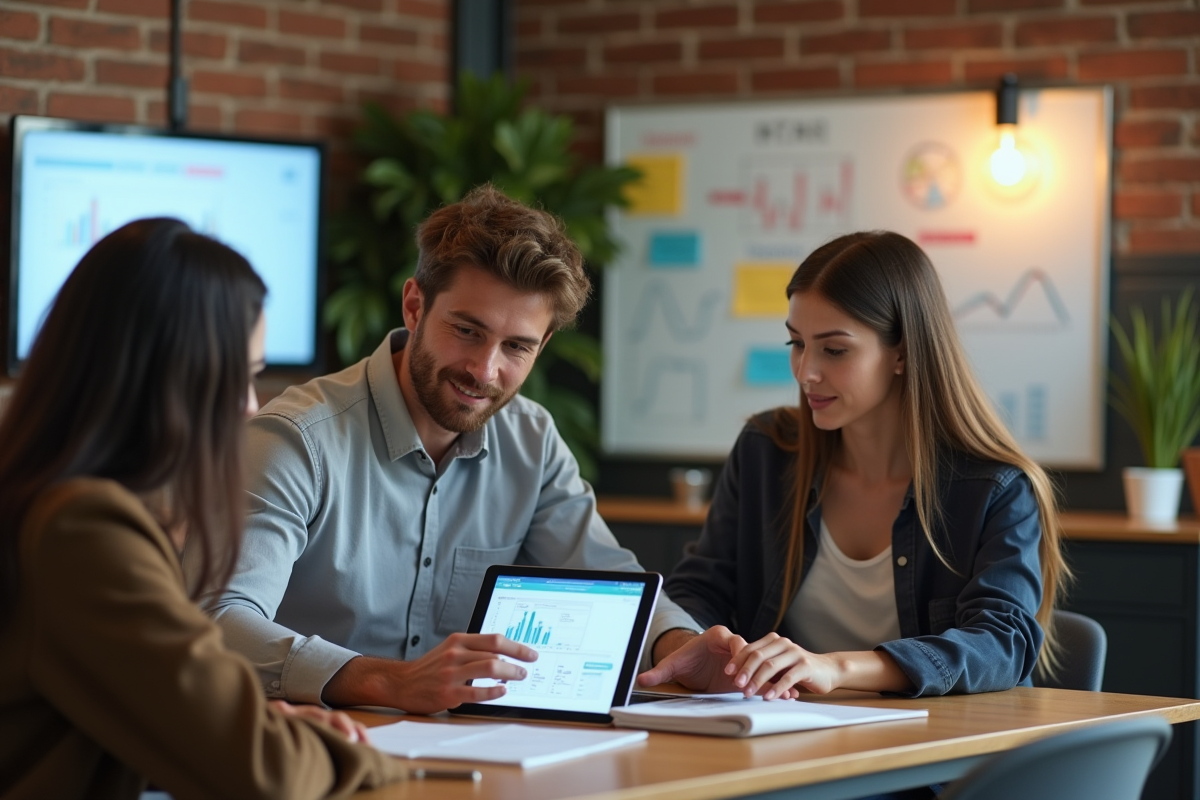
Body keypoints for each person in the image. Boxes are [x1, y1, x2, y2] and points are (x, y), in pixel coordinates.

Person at [203, 185, 700, 713]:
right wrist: (386, 682)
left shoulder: (532, 441)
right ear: (415, 306)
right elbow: (218, 619)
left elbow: (613, 583)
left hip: (469, 758)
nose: (485, 370)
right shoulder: (296, 439)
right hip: (312, 757)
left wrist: (682, 647)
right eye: (467, 330)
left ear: (542, 346)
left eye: (516, 347)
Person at [0, 219, 406, 799]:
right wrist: (373, 761)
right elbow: (263, 775)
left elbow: (170, 721)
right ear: (167, 377)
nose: (250, 409)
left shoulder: (52, 503)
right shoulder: (82, 532)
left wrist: (262, 729)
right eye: (240, 378)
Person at [640, 230, 1069, 704]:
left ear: (903, 351)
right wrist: (700, 643)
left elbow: (1002, 643)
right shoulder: (766, 451)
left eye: (834, 350)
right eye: (796, 344)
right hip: (782, 739)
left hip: (928, 757)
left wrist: (836, 666)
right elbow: (701, 589)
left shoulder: (996, 487)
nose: (806, 372)